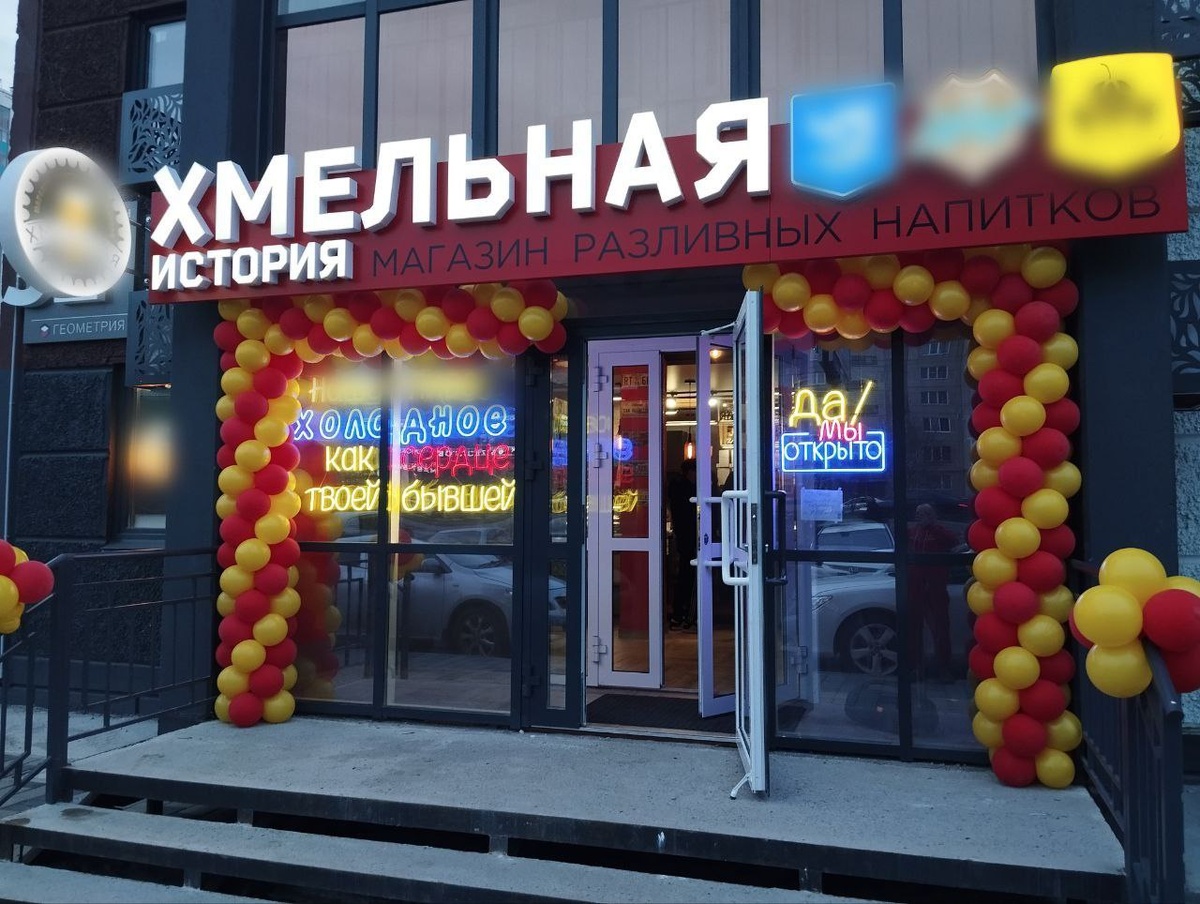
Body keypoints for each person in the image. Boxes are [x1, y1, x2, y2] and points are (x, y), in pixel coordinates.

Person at [907, 503, 958, 681]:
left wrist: (933, 526)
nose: (919, 516)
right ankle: (915, 667)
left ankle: (943, 668)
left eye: (924, 513)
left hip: (936, 587)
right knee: (913, 629)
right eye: (918, 513)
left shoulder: (940, 532)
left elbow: (953, 542)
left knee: (940, 628)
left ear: (932, 515)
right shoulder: (912, 532)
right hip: (915, 587)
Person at [667, 459, 698, 630]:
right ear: (690, 472)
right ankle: (685, 615)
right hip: (690, 540)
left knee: (684, 577)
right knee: (688, 577)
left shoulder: (676, 488)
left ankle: (680, 614)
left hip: (684, 539)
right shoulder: (688, 490)